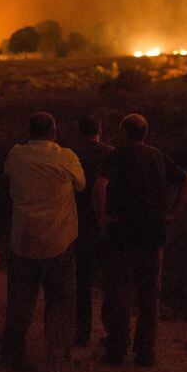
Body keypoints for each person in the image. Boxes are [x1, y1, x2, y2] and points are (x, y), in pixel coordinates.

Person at [94, 113, 187, 366]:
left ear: (123, 132)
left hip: (122, 235)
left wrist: (103, 217)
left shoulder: (117, 155)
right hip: (153, 235)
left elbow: (100, 186)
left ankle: (117, 349)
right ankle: (145, 352)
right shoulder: (158, 156)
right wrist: (172, 214)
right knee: (149, 296)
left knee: (119, 293)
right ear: (145, 134)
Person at [0, 112, 85, 372]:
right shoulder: (66, 158)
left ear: (29, 131)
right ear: (54, 130)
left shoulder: (17, 155)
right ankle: (58, 358)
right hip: (57, 241)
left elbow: (7, 174)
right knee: (60, 301)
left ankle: (12, 355)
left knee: (19, 302)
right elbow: (81, 185)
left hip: (23, 240)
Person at [70, 114, 114, 345]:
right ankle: (111, 332)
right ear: (100, 129)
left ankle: (82, 332)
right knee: (111, 282)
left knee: (82, 282)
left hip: (79, 225)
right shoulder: (111, 154)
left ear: (80, 131)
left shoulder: (70, 155)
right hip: (106, 225)